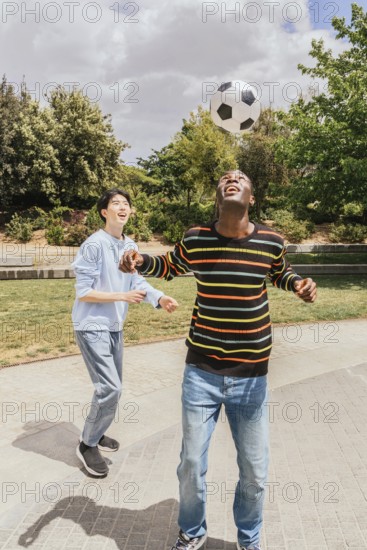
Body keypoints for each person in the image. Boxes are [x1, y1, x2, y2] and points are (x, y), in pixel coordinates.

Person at [119, 171, 317, 550]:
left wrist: (299, 286)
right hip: (202, 373)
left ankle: (249, 540)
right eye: (226, 178)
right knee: (191, 463)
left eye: (240, 178)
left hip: (251, 379)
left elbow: (281, 273)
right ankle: (192, 533)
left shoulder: (272, 241)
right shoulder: (197, 238)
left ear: (251, 198)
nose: (232, 179)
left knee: (255, 472)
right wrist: (138, 260)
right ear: (218, 196)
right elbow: (169, 266)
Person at [72, 188, 178, 477]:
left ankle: (96, 431)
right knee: (110, 388)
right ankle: (87, 444)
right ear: (104, 212)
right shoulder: (93, 245)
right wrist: (121, 297)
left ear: (130, 212)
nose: (122, 207)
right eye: (115, 203)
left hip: (114, 327)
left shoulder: (129, 244)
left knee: (113, 389)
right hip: (91, 325)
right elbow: (83, 293)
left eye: (126, 204)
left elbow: (137, 281)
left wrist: (159, 298)